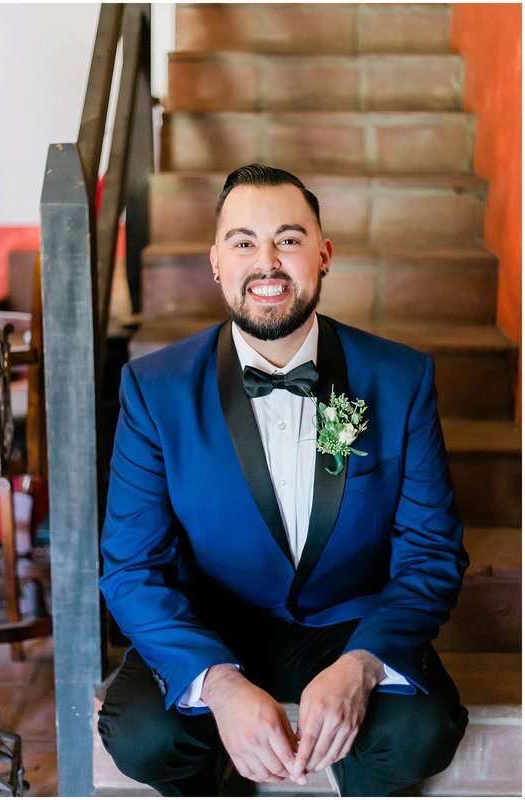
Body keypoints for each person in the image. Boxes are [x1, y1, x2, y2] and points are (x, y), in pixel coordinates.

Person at [98, 164, 469, 797]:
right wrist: (217, 681)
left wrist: (362, 663)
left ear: (323, 255)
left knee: (421, 730)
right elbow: (131, 569)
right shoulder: (154, 389)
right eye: (244, 242)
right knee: (142, 734)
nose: (266, 263)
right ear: (217, 261)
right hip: (212, 623)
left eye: (289, 239)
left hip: (348, 621)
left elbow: (431, 552)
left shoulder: (399, 379)